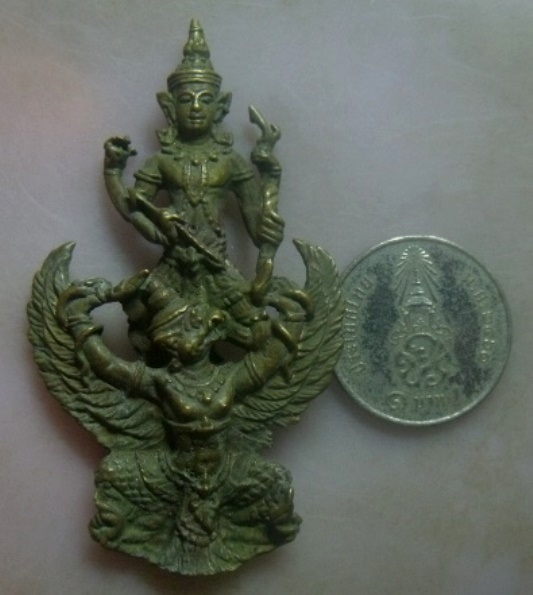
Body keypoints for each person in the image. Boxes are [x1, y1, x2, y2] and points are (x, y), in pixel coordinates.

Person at [102, 20, 284, 351]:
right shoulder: (162, 160)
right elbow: (133, 207)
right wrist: (114, 175)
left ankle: (206, 344)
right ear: (169, 107)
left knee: (258, 333)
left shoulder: (230, 162)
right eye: (186, 99)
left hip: (215, 267)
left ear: (221, 106)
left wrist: (270, 175)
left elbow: (258, 229)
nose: (196, 107)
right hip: (174, 265)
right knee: (144, 330)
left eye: (205, 99)